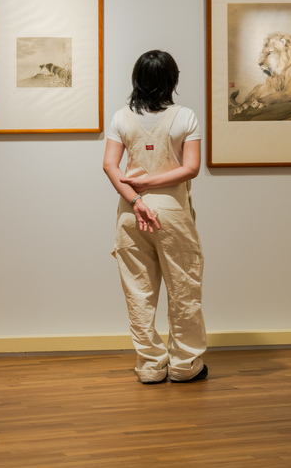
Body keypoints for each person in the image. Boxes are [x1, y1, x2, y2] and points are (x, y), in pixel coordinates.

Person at [103, 50, 205, 383]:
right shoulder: (185, 117)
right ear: (172, 79)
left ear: (137, 78)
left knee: (138, 291)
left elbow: (110, 166)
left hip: (131, 213)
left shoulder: (121, 118)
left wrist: (137, 197)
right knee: (183, 287)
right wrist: (153, 183)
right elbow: (191, 168)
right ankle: (184, 365)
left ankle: (150, 365)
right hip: (171, 213)